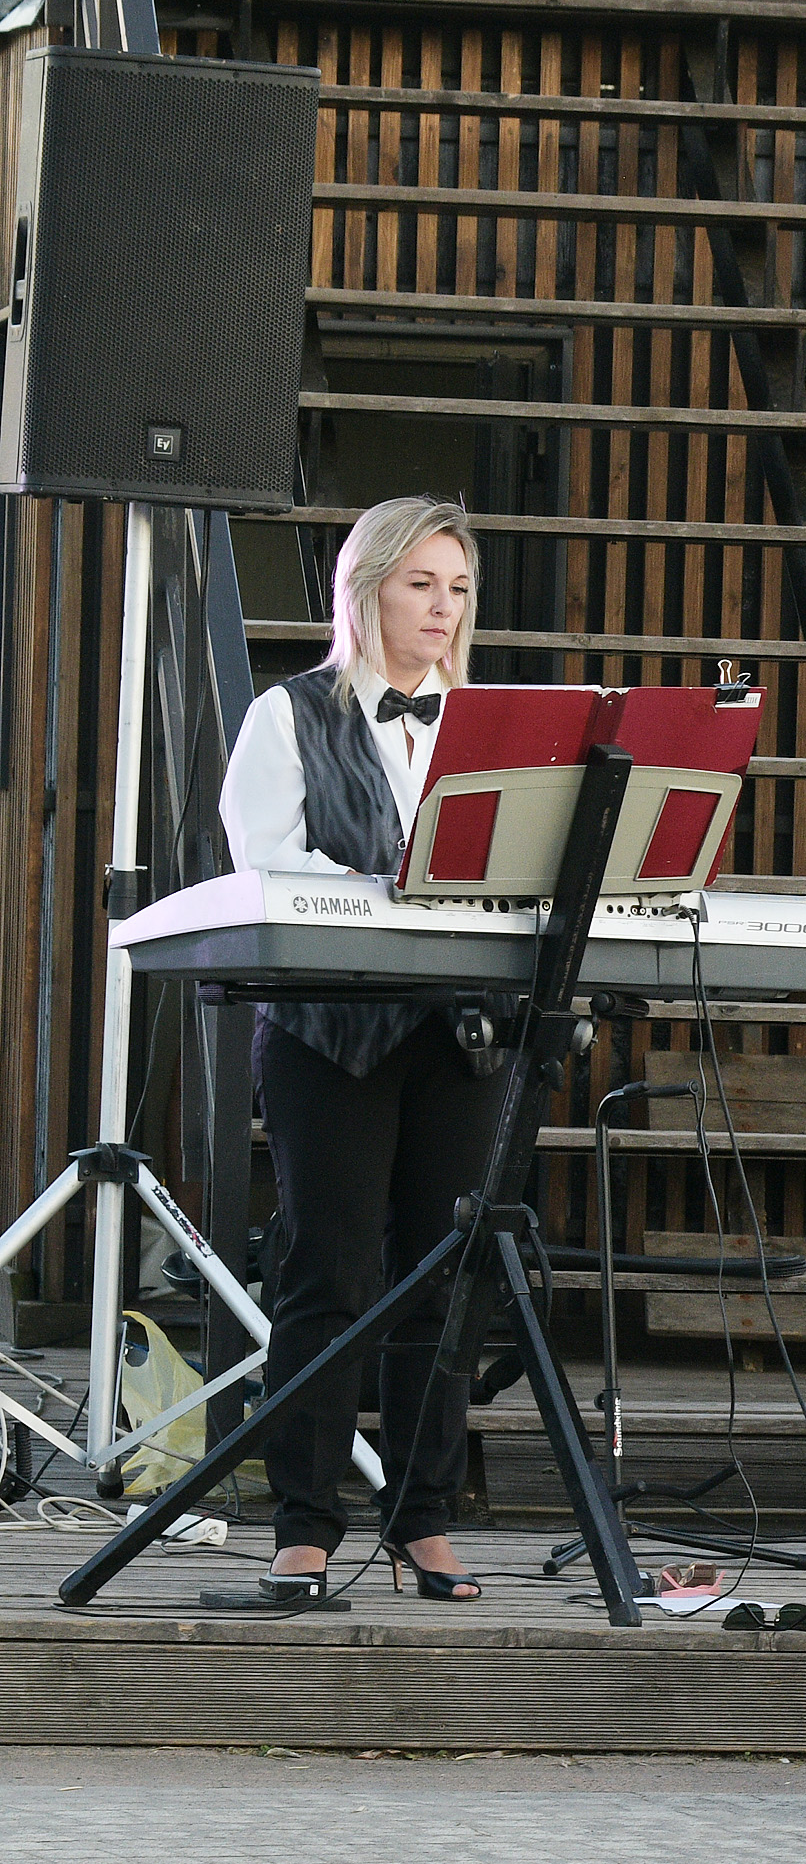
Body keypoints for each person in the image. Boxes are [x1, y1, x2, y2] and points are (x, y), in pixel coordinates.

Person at [211, 496, 502, 1612]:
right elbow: (263, 869)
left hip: (457, 1031)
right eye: (421, 583)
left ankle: (420, 1520)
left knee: (446, 1275)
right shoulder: (288, 715)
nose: (442, 608)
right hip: (330, 1030)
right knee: (326, 1271)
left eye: (458, 587)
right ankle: (304, 1523)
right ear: (366, 589)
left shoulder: (489, 724)